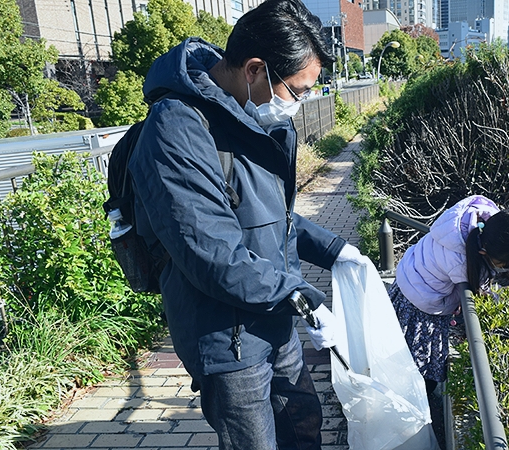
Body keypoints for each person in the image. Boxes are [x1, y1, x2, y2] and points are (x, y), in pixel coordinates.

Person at [127, 1, 366, 449]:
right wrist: (303, 295)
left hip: (273, 314)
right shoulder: (178, 128)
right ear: (255, 69)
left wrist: (336, 250)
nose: (301, 105)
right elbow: (212, 252)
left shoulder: (253, 120)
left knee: (303, 425)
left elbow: (274, 218)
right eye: (298, 92)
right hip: (226, 339)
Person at [389, 195, 509, 396]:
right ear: (484, 253)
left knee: (409, 363)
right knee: (420, 370)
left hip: (410, 274)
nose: (506, 271)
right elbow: (483, 294)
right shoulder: (459, 260)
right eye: (503, 267)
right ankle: (410, 411)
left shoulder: (492, 224)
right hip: (419, 300)